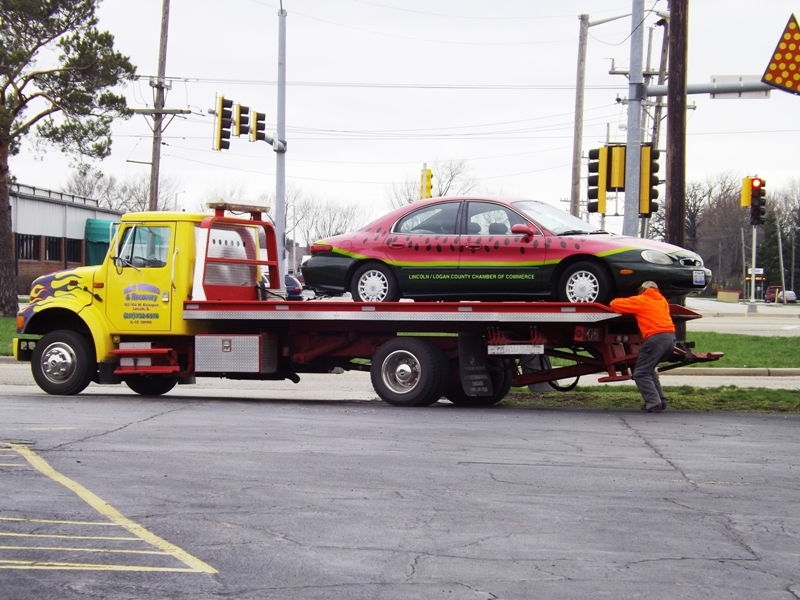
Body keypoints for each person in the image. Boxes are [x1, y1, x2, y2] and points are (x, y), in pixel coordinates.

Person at [609, 281, 676, 413]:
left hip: (655, 339)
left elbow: (614, 304)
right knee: (649, 370)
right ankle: (660, 400)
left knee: (640, 373)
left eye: (640, 290)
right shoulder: (662, 301)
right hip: (670, 338)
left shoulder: (642, 300)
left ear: (644, 289)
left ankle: (653, 402)